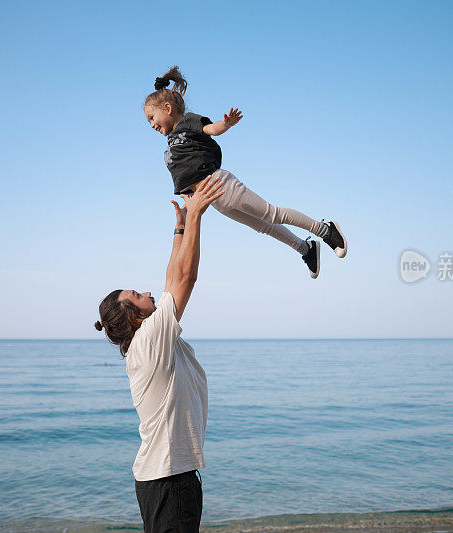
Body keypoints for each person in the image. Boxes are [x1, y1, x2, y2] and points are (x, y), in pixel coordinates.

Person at [94, 175, 224, 533]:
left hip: (169, 479)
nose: (147, 292)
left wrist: (180, 229)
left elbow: (171, 280)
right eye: (137, 295)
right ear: (135, 317)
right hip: (169, 481)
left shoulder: (148, 340)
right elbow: (185, 280)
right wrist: (197, 214)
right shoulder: (150, 339)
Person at [143, 65, 348, 279]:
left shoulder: (187, 122)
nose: (151, 124)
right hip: (212, 198)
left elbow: (211, 129)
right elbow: (190, 178)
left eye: (151, 117)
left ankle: (326, 230)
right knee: (264, 227)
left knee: (272, 214)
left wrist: (226, 124)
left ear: (167, 108)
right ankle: (307, 249)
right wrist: (188, 207)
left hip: (219, 183)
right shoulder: (171, 145)